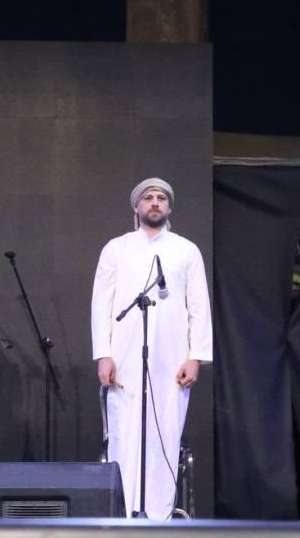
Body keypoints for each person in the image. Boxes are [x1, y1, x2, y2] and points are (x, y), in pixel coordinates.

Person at [91, 178, 213, 520]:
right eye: (148, 197)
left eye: (161, 198)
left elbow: (199, 306)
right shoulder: (116, 248)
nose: (155, 202)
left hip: (172, 360)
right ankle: (124, 513)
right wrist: (104, 354)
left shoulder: (186, 250)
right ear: (137, 206)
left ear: (169, 207)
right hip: (124, 357)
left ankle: (159, 517)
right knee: (124, 434)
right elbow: (101, 304)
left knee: (165, 435)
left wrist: (196, 357)